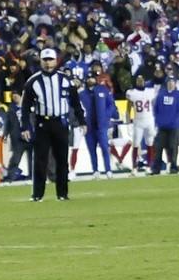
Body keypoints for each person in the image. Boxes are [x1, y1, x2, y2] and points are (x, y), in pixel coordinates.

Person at [21, 49, 86, 201]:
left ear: (56, 61)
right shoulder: (33, 81)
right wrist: (25, 127)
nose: (48, 63)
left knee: (62, 159)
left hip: (61, 123)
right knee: (40, 160)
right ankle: (37, 194)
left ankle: (62, 193)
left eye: (50, 60)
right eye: (45, 60)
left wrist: (82, 120)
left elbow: (76, 103)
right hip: (42, 123)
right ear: (41, 61)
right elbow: (25, 107)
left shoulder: (66, 80)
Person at [81, 74, 118, 178]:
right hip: (89, 126)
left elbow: (111, 104)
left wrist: (106, 115)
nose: (90, 80)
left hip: (101, 125)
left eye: (92, 78)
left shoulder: (103, 90)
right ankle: (95, 170)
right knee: (92, 150)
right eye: (88, 78)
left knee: (105, 148)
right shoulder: (82, 94)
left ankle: (108, 170)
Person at [125, 74, 157, 174]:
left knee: (150, 143)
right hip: (138, 121)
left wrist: (156, 121)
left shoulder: (150, 92)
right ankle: (134, 167)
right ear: (135, 82)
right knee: (135, 144)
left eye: (141, 80)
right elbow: (128, 109)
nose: (140, 82)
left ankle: (149, 166)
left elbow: (154, 106)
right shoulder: (132, 93)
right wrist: (128, 123)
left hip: (149, 120)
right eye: (138, 80)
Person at [152, 76, 179, 174]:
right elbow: (156, 109)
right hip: (162, 126)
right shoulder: (161, 95)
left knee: (173, 147)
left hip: (174, 126)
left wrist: (173, 120)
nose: (171, 84)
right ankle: (156, 168)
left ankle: (173, 166)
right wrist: (158, 121)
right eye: (169, 82)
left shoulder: (178, 95)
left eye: (173, 82)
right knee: (158, 147)